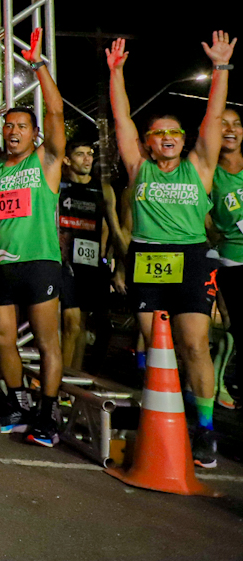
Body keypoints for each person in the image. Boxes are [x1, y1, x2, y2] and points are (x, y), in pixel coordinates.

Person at [107, 31, 235, 468]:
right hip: (147, 257)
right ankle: (168, 415)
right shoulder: (138, 167)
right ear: (146, 142)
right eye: (158, 133)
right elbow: (121, 118)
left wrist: (220, 69)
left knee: (195, 345)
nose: (167, 138)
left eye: (174, 132)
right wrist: (117, 72)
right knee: (156, 345)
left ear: (183, 139)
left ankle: (205, 430)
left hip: (190, 259)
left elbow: (214, 120)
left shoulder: (200, 167)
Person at [0, 28, 68, 447]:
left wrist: (39, 65)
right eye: (8, 127)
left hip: (40, 261)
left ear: (33, 133)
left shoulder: (47, 161)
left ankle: (47, 412)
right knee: (3, 337)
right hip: (1, 264)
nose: (12, 133)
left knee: (46, 341)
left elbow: (58, 115)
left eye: (21, 127)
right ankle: (20, 403)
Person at [57, 139, 119, 372]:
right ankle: (60, 380)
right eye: (80, 154)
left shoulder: (102, 188)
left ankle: (74, 376)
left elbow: (109, 225)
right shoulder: (58, 184)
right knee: (71, 322)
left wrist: (109, 256)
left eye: (89, 154)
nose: (86, 159)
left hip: (91, 263)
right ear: (67, 160)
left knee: (81, 325)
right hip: (64, 262)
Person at [209, 108, 243, 410]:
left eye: (237, 124)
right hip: (232, 261)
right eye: (223, 125)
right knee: (234, 327)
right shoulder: (209, 173)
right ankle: (216, 384)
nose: (231, 129)